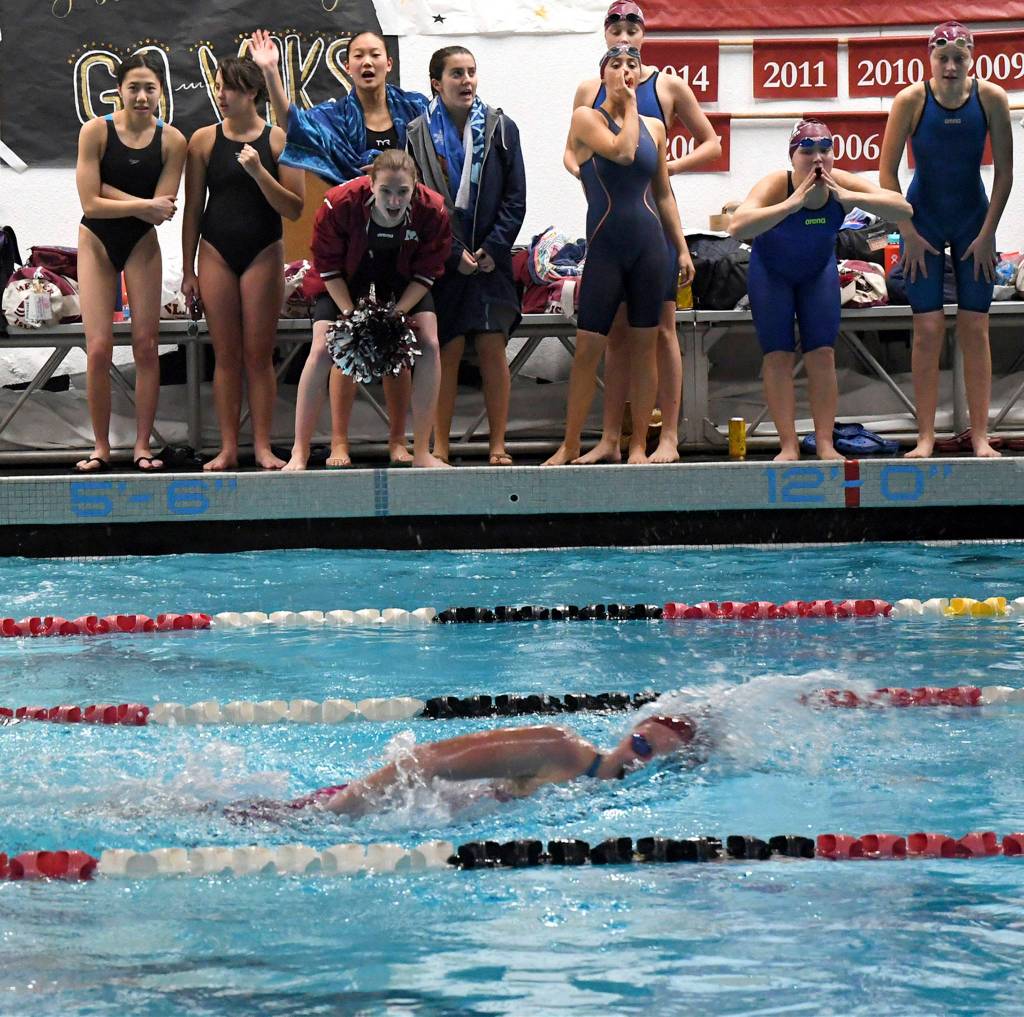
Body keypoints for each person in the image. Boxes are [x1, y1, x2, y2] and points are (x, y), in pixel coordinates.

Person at [250, 29, 429, 467]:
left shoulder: (417, 111)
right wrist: (272, 72)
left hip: (400, 242)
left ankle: (397, 440)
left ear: (389, 63)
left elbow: (439, 159)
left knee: (398, 344)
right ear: (347, 66)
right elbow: (294, 122)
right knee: (339, 342)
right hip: (348, 245)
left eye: (375, 55)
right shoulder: (333, 117)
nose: (367, 62)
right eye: (357, 56)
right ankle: (339, 442)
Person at [546, 0, 714, 466]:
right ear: (604, 42)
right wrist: (586, 172)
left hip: (651, 234)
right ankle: (601, 440)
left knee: (660, 334)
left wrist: (680, 244)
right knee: (608, 340)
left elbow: (666, 182)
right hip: (607, 229)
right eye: (615, 33)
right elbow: (597, 152)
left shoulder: (663, 100)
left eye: (632, 34)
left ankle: (662, 439)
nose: (624, 58)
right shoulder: (589, 100)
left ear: (644, 37)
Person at [729, 119, 912, 461]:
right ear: (793, 157)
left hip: (817, 274)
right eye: (807, 150)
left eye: (825, 150)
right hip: (772, 275)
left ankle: (825, 443)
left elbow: (904, 209)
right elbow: (737, 226)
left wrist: (850, 197)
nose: (817, 158)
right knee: (778, 356)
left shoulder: (840, 183)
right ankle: (788, 445)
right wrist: (792, 204)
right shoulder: (776, 184)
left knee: (823, 355)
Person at [879, 21, 1013, 459]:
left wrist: (989, 233)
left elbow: (1006, 174)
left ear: (972, 57)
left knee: (976, 327)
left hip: (974, 221)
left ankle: (979, 435)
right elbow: (886, 174)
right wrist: (908, 232)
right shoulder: (911, 100)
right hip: (925, 221)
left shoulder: (991, 98)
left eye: (959, 57)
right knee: (928, 328)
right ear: (930, 59)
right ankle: (925, 437)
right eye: (943, 58)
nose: (951, 66)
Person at [282, 149, 451, 470]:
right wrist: (350, 315)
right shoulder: (340, 204)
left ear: (415, 187)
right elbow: (328, 266)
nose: (394, 201)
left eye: (403, 192)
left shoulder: (433, 211)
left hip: (402, 280)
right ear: (370, 184)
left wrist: (397, 314)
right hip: (345, 278)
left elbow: (427, 272)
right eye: (385, 191)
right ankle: (299, 452)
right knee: (321, 349)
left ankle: (421, 453)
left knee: (429, 343)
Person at [226, 713, 699, 821]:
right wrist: (340, 810)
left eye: (650, 754)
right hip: (365, 804)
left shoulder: (600, 789)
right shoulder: (564, 750)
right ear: (627, 733)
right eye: (638, 742)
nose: (636, 758)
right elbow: (424, 761)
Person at [181, 56, 305, 471]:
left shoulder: (279, 141)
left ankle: (265, 447)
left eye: (228, 88)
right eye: (218, 87)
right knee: (226, 355)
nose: (220, 96)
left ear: (251, 92)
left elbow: (293, 209)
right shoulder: (201, 141)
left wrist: (258, 173)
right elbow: (193, 209)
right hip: (215, 250)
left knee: (259, 355)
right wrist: (187, 270)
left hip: (263, 251)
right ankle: (229, 448)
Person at [406, 46, 527, 466]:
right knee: (447, 350)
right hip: (444, 259)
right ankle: (441, 445)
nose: (467, 81)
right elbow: (419, 202)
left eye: (472, 72)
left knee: (494, 347)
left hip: (490, 257)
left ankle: (497, 445)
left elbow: (516, 197)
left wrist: (494, 248)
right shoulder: (416, 134)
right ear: (436, 83)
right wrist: (454, 252)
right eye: (456, 74)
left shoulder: (501, 128)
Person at [75, 52, 187, 472]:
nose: (141, 96)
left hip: (142, 243)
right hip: (96, 241)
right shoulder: (95, 132)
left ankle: (143, 445)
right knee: (99, 348)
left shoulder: (172, 140)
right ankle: (101, 447)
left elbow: (164, 210)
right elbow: (90, 204)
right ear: (119, 90)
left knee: (147, 346)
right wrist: (142, 204)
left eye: (150, 88)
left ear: (160, 93)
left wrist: (113, 192)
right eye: (133, 87)